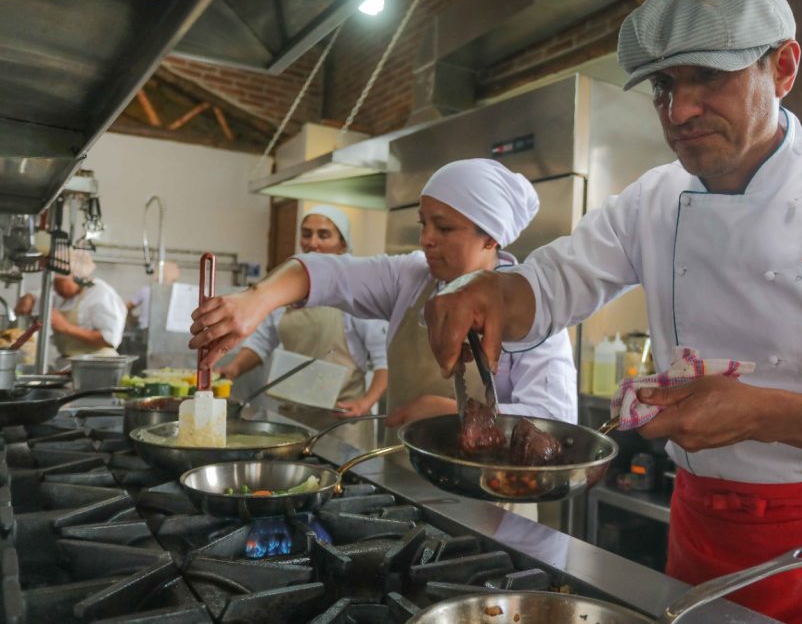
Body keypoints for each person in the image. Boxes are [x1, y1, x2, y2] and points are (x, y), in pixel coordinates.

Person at [421, 0, 802, 624]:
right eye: (665, 86)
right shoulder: (654, 198)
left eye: (709, 78)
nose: (680, 110)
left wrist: (766, 414)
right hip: (702, 536)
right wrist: (491, 289)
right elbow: (552, 283)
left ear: (783, 68)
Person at [188, 159, 577, 456]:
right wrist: (257, 299)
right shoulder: (410, 276)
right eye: (423, 224)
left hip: (490, 511)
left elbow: (556, 427)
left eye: (443, 228)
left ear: (490, 237)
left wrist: (455, 414)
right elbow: (330, 273)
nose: (426, 239)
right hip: (405, 489)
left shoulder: (534, 314)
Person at [216, 206, 389, 451]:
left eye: (324, 235)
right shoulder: (287, 288)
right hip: (294, 419)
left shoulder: (356, 293)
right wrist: (234, 368)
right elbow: (262, 342)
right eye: (306, 234)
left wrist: (366, 403)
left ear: (343, 244)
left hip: (343, 423)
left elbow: (385, 360)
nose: (313, 243)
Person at [16, 250, 128, 360]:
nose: (55, 288)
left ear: (77, 278)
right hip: (69, 361)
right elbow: (37, 297)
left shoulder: (102, 294)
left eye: (60, 283)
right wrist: (29, 298)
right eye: (54, 283)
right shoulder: (60, 294)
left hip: (97, 362)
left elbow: (109, 339)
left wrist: (66, 327)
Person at [125, 261, 181, 330]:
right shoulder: (146, 290)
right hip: (148, 330)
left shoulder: (175, 293)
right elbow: (126, 308)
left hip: (161, 330)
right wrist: (133, 320)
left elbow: (126, 308)